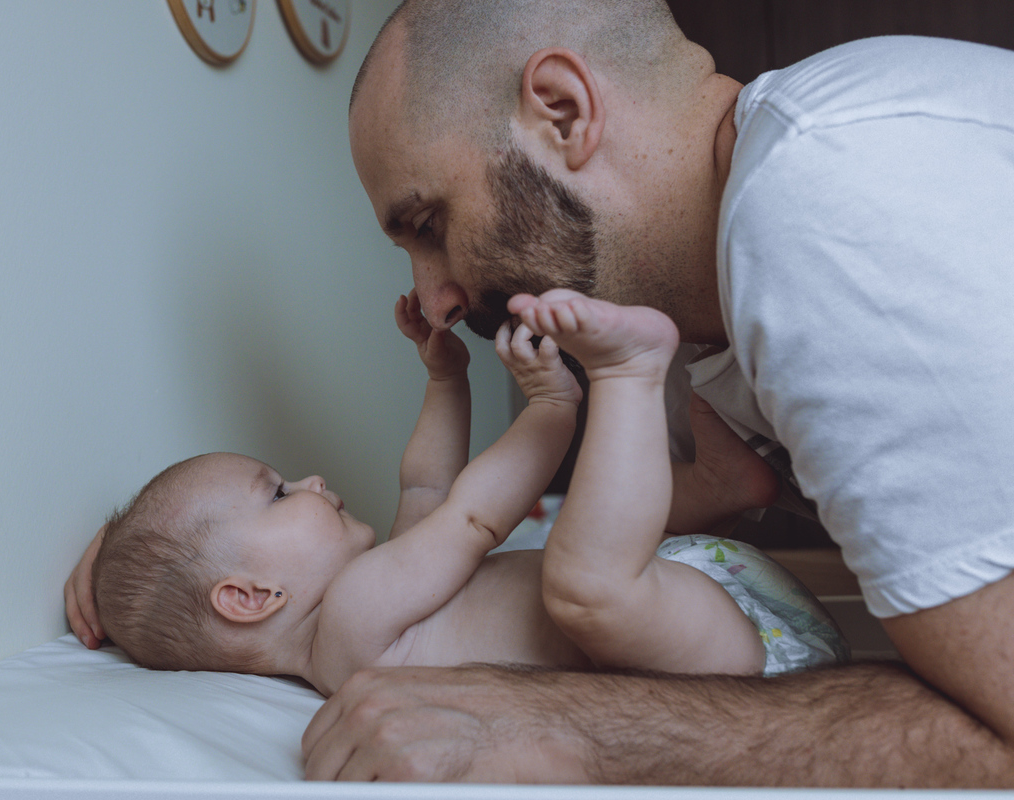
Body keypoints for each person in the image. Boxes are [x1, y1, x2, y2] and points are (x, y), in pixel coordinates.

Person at [71, 0, 1014, 785]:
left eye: (430, 222)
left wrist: (574, 724)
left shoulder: (825, 209)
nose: (434, 296)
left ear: (562, 113)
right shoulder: (721, 279)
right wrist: (150, 576)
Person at [88, 291, 845, 696]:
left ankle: (718, 486)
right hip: (733, 665)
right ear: (250, 597)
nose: (312, 480)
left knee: (569, 538)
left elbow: (426, 484)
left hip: (704, 612)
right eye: (280, 493)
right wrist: (552, 406)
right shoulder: (354, 619)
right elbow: (474, 515)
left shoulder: (365, 619)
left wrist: (443, 377)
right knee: (578, 564)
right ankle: (628, 377)